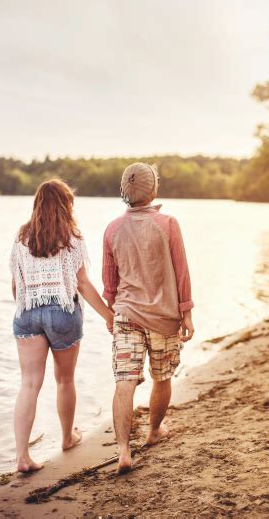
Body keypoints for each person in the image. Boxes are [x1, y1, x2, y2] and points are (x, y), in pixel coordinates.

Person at [10, 178, 113, 473]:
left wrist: (28, 311)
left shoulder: (21, 237)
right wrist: (108, 315)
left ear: (37, 205)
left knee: (29, 384)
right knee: (64, 380)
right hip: (63, 312)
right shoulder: (72, 239)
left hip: (27, 314)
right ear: (67, 206)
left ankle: (22, 457)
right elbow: (81, 284)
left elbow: (17, 285)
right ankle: (67, 438)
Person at [102, 162, 195, 474]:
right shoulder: (168, 223)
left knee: (124, 381)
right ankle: (154, 432)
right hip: (163, 316)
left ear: (124, 193)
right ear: (153, 189)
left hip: (126, 314)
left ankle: (123, 450)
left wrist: (111, 312)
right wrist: (187, 313)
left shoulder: (112, 229)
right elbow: (181, 272)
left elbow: (109, 281)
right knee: (161, 376)